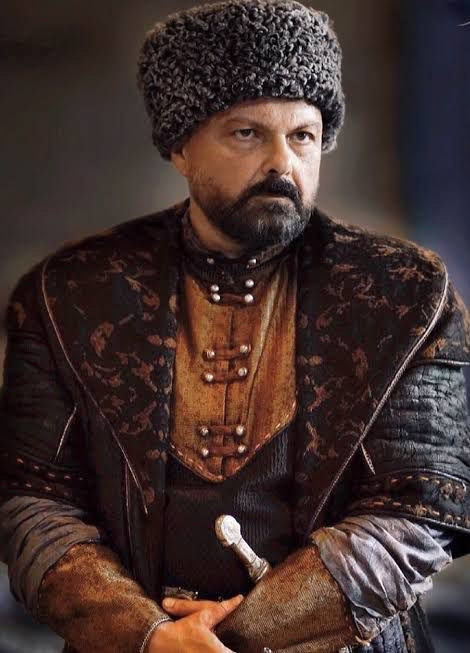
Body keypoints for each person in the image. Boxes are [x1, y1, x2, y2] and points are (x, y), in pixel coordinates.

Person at [1, 1, 469, 652]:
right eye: (247, 133)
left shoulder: (407, 293)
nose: (282, 163)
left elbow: (420, 510)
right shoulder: (69, 292)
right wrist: (147, 637)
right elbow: (30, 502)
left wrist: (230, 637)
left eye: (303, 136)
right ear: (180, 146)